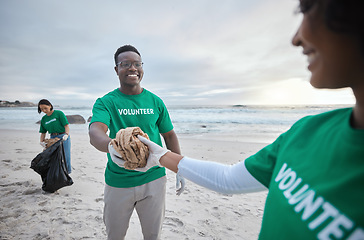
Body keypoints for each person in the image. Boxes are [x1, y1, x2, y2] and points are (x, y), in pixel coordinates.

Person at [130, 1, 364, 239]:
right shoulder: (308, 131)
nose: (296, 38)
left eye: (307, 11)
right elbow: (227, 179)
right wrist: (159, 156)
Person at [88, 45, 183, 240]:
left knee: (152, 235)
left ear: (142, 68)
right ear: (116, 69)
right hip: (119, 181)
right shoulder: (106, 102)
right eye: (125, 64)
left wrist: (180, 167)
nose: (132, 68)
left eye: (137, 64)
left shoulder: (155, 101)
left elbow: (169, 135)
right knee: (115, 235)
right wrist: (109, 146)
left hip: (154, 178)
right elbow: (96, 130)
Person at [38, 99, 72, 174]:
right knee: (55, 157)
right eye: (41, 109)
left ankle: (67, 173)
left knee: (65, 156)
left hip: (63, 136)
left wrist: (66, 134)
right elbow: (43, 133)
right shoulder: (44, 119)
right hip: (53, 138)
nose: (44, 110)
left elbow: (66, 125)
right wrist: (41, 142)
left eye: (45, 108)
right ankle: (57, 174)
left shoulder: (58, 113)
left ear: (50, 106)